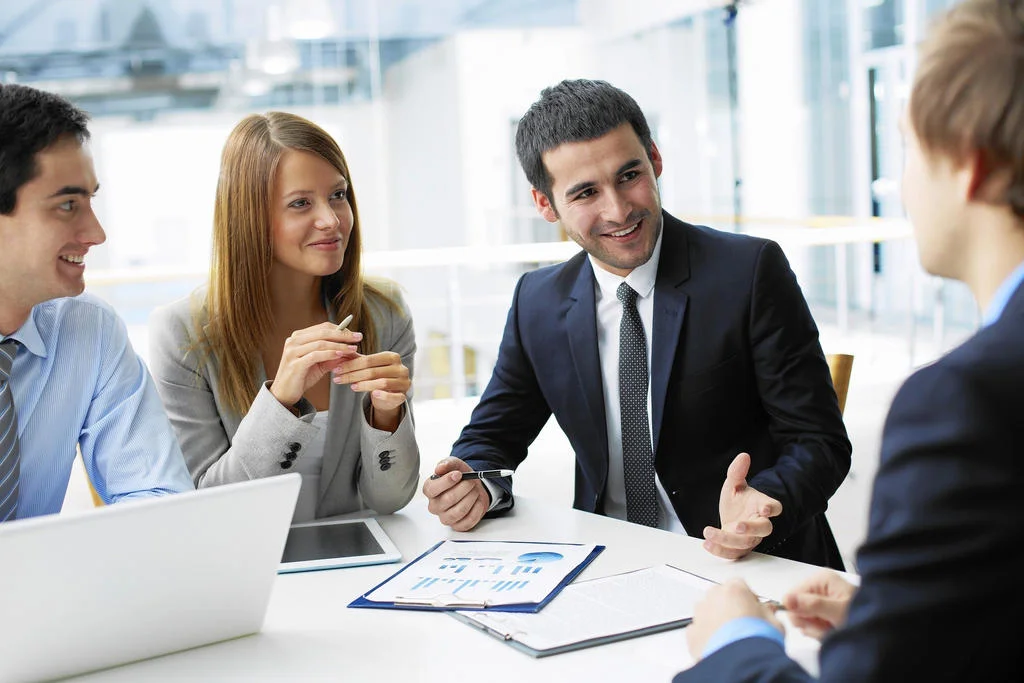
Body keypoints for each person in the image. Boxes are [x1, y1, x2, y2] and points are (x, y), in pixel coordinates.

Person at [679, 1, 1024, 679]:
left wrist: (734, 641)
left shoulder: (965, 401)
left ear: (970, 166)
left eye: (908, 147)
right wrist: (902, 613)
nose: (900, 184)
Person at [423, 79, 851, 569]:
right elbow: (492, 437)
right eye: (586, 193)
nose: (619, 210)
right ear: (545, 205)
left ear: (655, 159)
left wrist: (766, 503)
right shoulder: (537, 302)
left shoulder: (749, 273)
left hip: (748, 560)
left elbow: (818, 441)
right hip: (609, 561)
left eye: (629, 175)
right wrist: (473, 484)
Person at [148, 112, 419, 521]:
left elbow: (390, 499)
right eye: (300, 203)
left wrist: (387, 415)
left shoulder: (385, 312)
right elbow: (208, 507)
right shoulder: (182, 333)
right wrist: (280, 402)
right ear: (249, 217)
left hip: (358, 554)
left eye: (338, 195)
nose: (331, 219)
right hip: (245, 557)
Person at [0, 84, 193, 521]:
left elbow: (158, 496)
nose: (96, 234)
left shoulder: (88, 329)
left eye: (90, 200)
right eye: (68, 205)